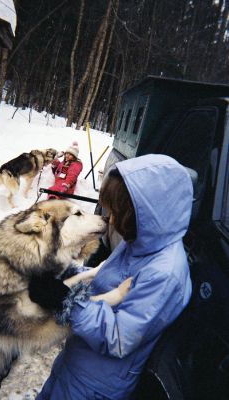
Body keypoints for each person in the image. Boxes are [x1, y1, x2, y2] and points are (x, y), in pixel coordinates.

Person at [36, 154, 193, 400]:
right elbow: (102, 281)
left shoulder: (165, 274)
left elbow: (119, 338)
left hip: (96, 385)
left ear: (147, 213)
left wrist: (69, 300)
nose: (110, 220)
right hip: (76, 363)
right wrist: (65, 272)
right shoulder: (139, 243)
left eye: (117, 212)